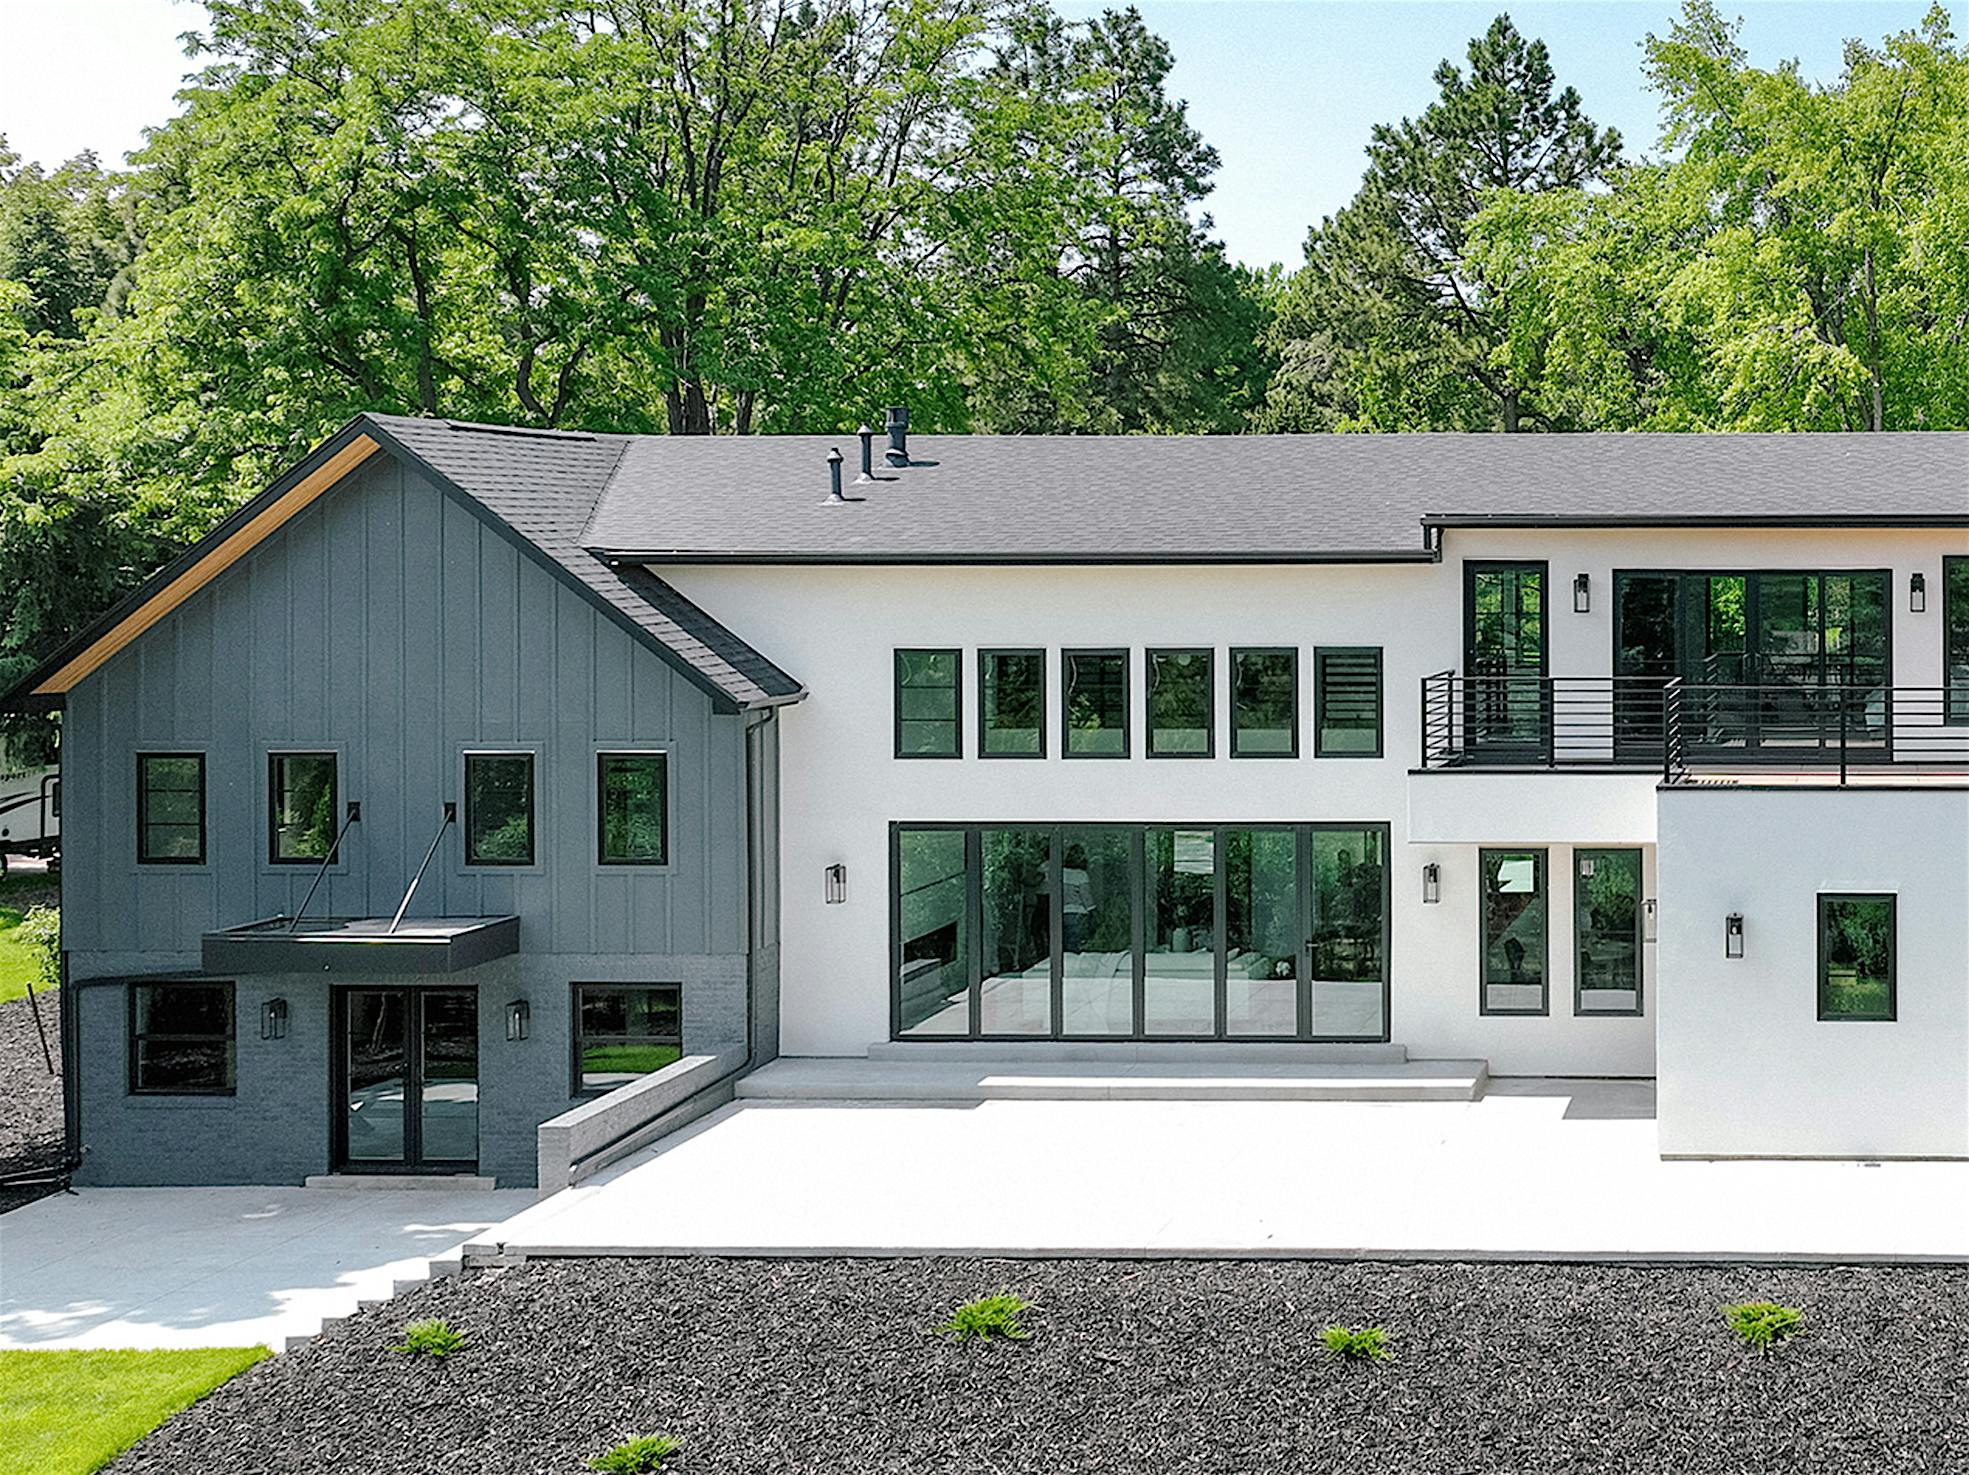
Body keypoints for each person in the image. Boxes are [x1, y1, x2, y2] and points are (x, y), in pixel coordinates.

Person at [1061, 843, 1096, 952]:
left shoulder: (1060, 873)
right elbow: (1086, 896)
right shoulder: (1081, 874)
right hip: (1078, 913)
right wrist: (1093, 911)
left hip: (1063, 913)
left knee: (1066, 944)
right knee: (1078, 946)